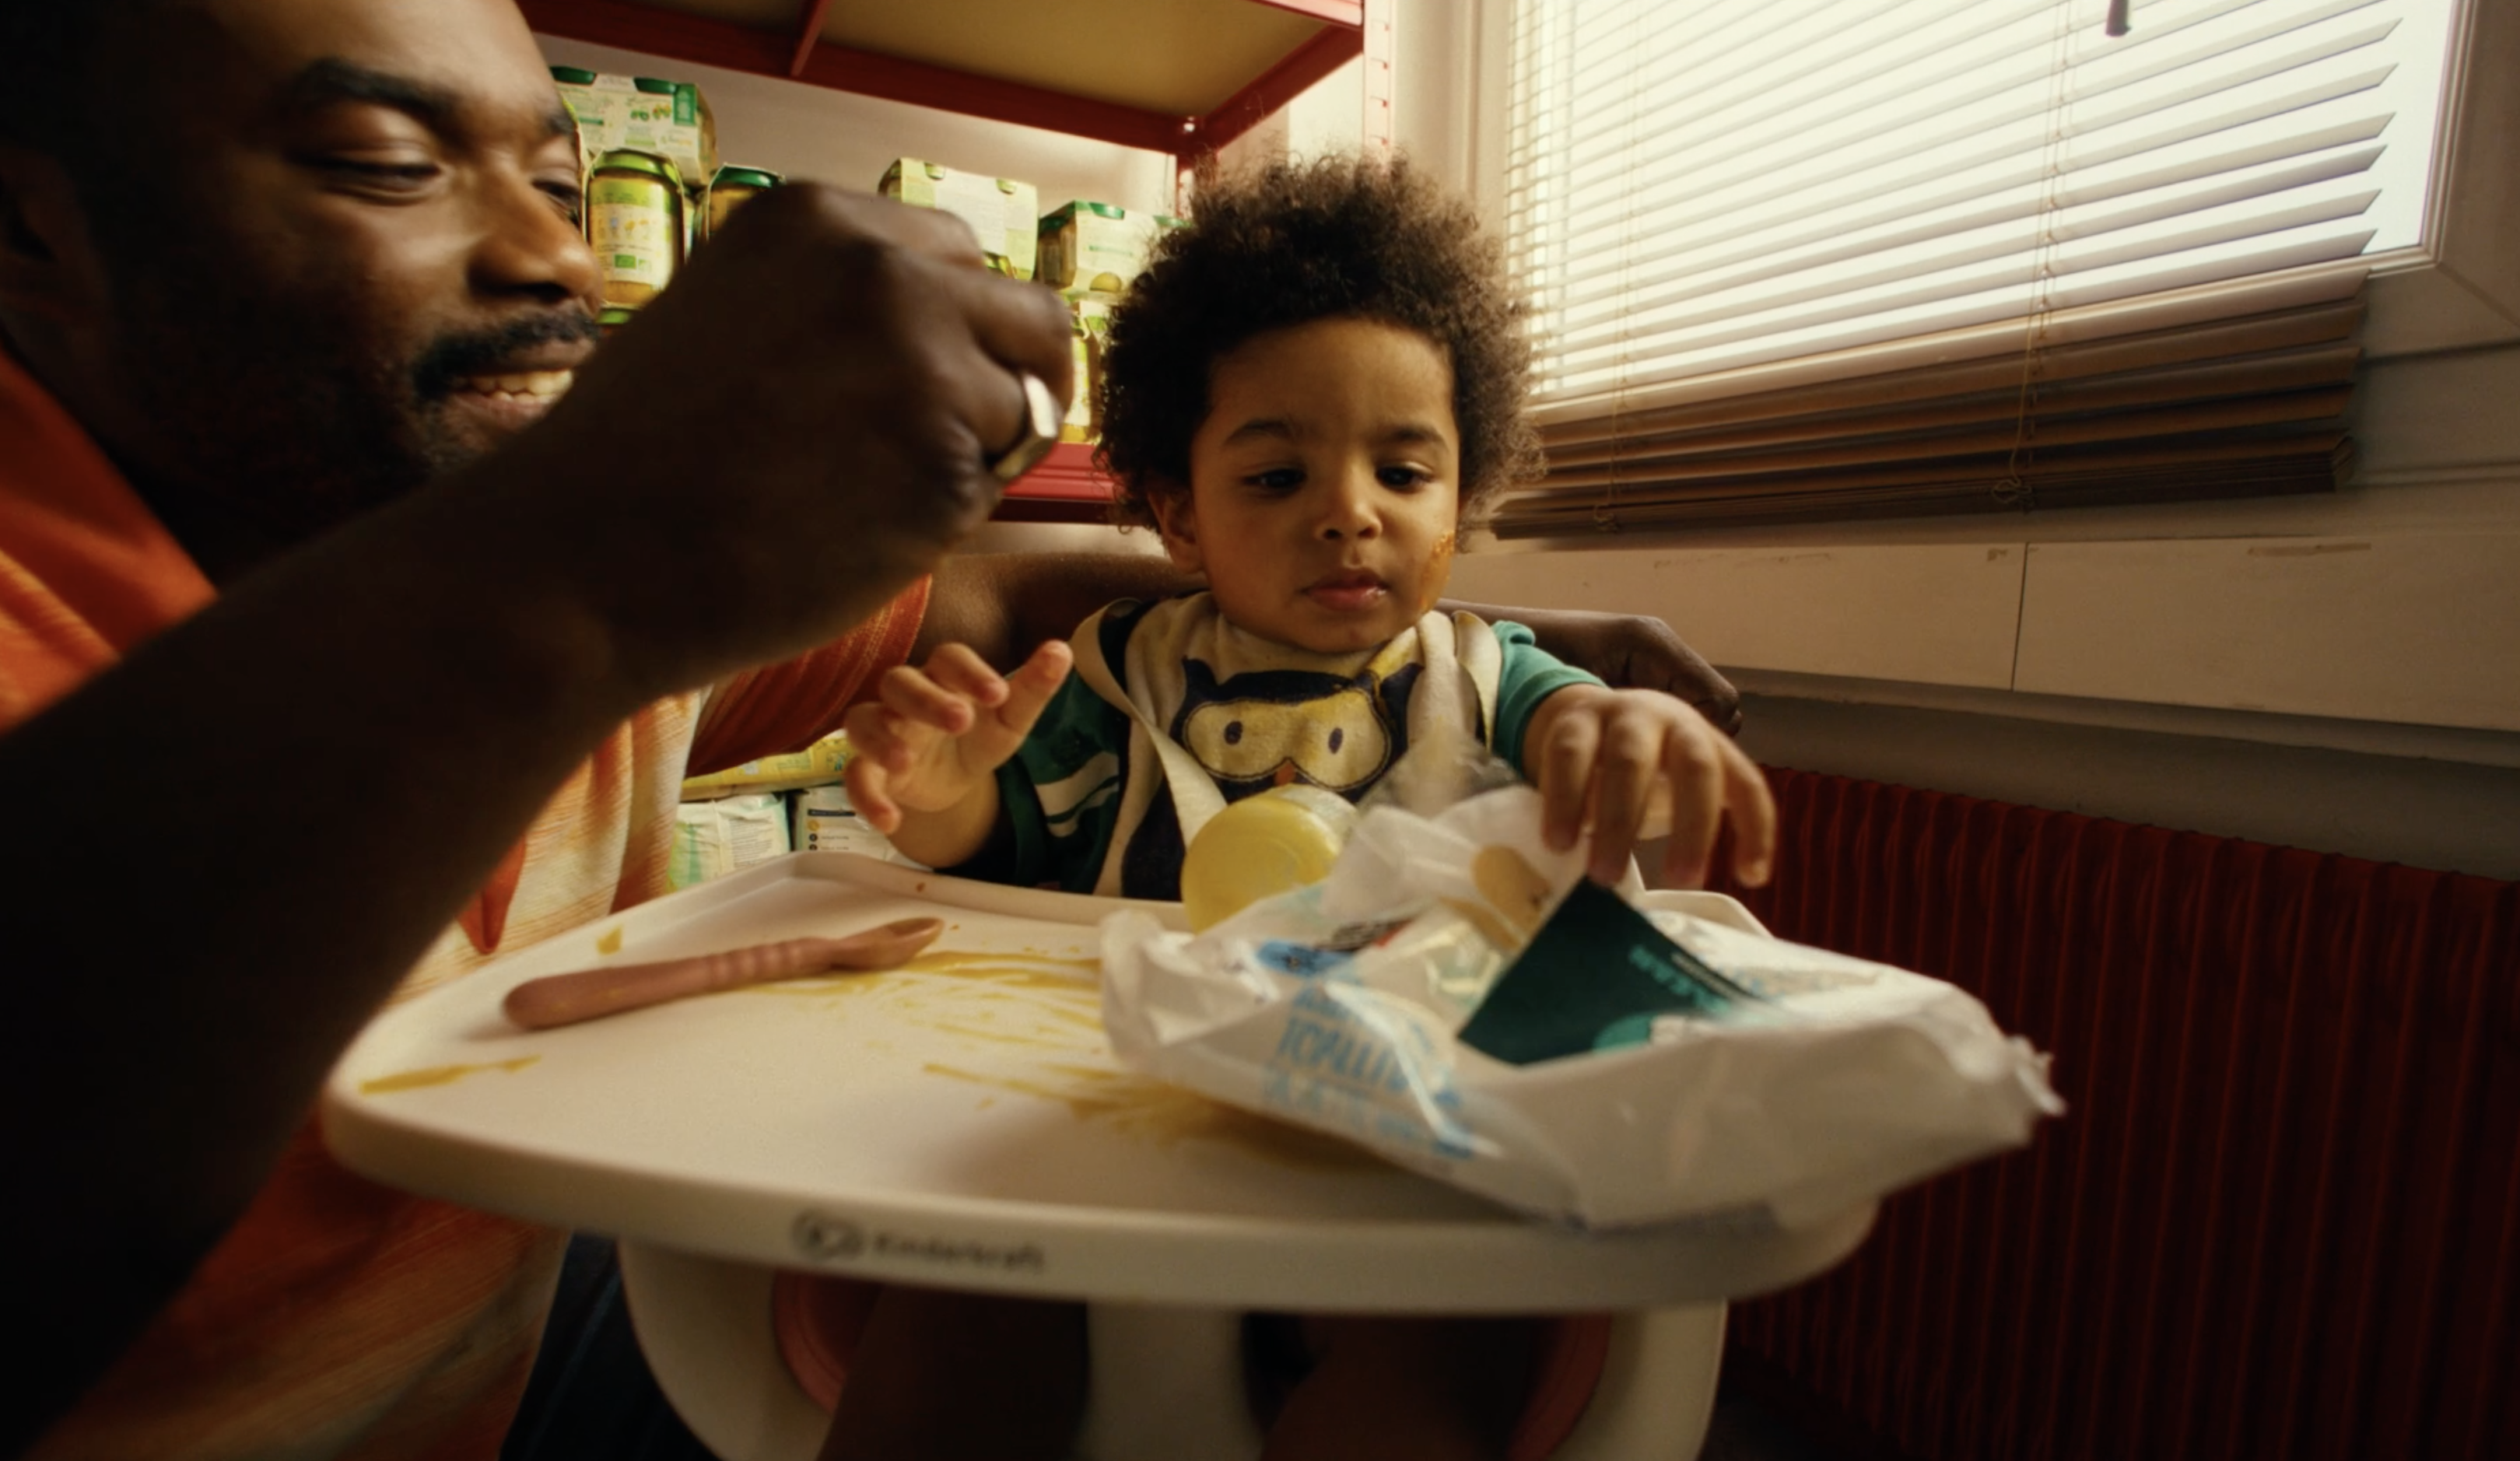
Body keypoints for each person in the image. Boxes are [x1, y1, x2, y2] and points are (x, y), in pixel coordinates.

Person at [0, 3, 1754, 1456]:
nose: (555, 259)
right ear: (32, 234)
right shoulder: (584, 567)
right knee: (957, 1309)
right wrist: (613, 579)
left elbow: (998, 598)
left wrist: (1537, 666)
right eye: (384, 162)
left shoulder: (629, 575)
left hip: (517, 1328)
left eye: (558, 179)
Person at [839, 154, 1776, 1461]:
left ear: (1463, 497)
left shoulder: (1488, 674)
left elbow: (1574, 727)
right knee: (946, 1323)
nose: (1349, 513)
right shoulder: (1115, 674)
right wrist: (940, 798)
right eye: (1278, 478)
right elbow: (1002, 846)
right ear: (1177, 512)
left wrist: (1619, 726)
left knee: (1429, 1369)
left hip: (1398, 1154)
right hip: (1109, 1134)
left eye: (1404, 470)